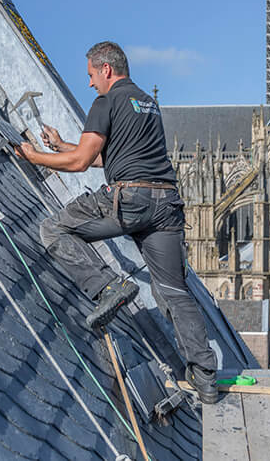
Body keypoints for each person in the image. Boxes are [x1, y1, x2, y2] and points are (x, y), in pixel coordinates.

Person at [14, 41, 219, 404]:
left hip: (132, 201)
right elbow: (102, 158)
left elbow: (80, 164)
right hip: (167, 205)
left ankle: (110, 287)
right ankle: (205, 378)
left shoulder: (105, 102)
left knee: (54, 228)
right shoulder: (146, 103)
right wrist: (62, 145)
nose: (90, 83)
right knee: (173, 290)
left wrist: (36, 157)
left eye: (91, 74)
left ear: (106, 69)